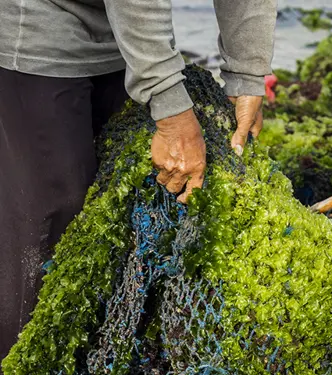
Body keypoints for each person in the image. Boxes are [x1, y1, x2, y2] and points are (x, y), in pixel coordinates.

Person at [0, 0, 278, 365]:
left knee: (118, 218)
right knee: (52, 221)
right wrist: (170, 107)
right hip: (41, 26)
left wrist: (246, 74)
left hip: (125, 38)